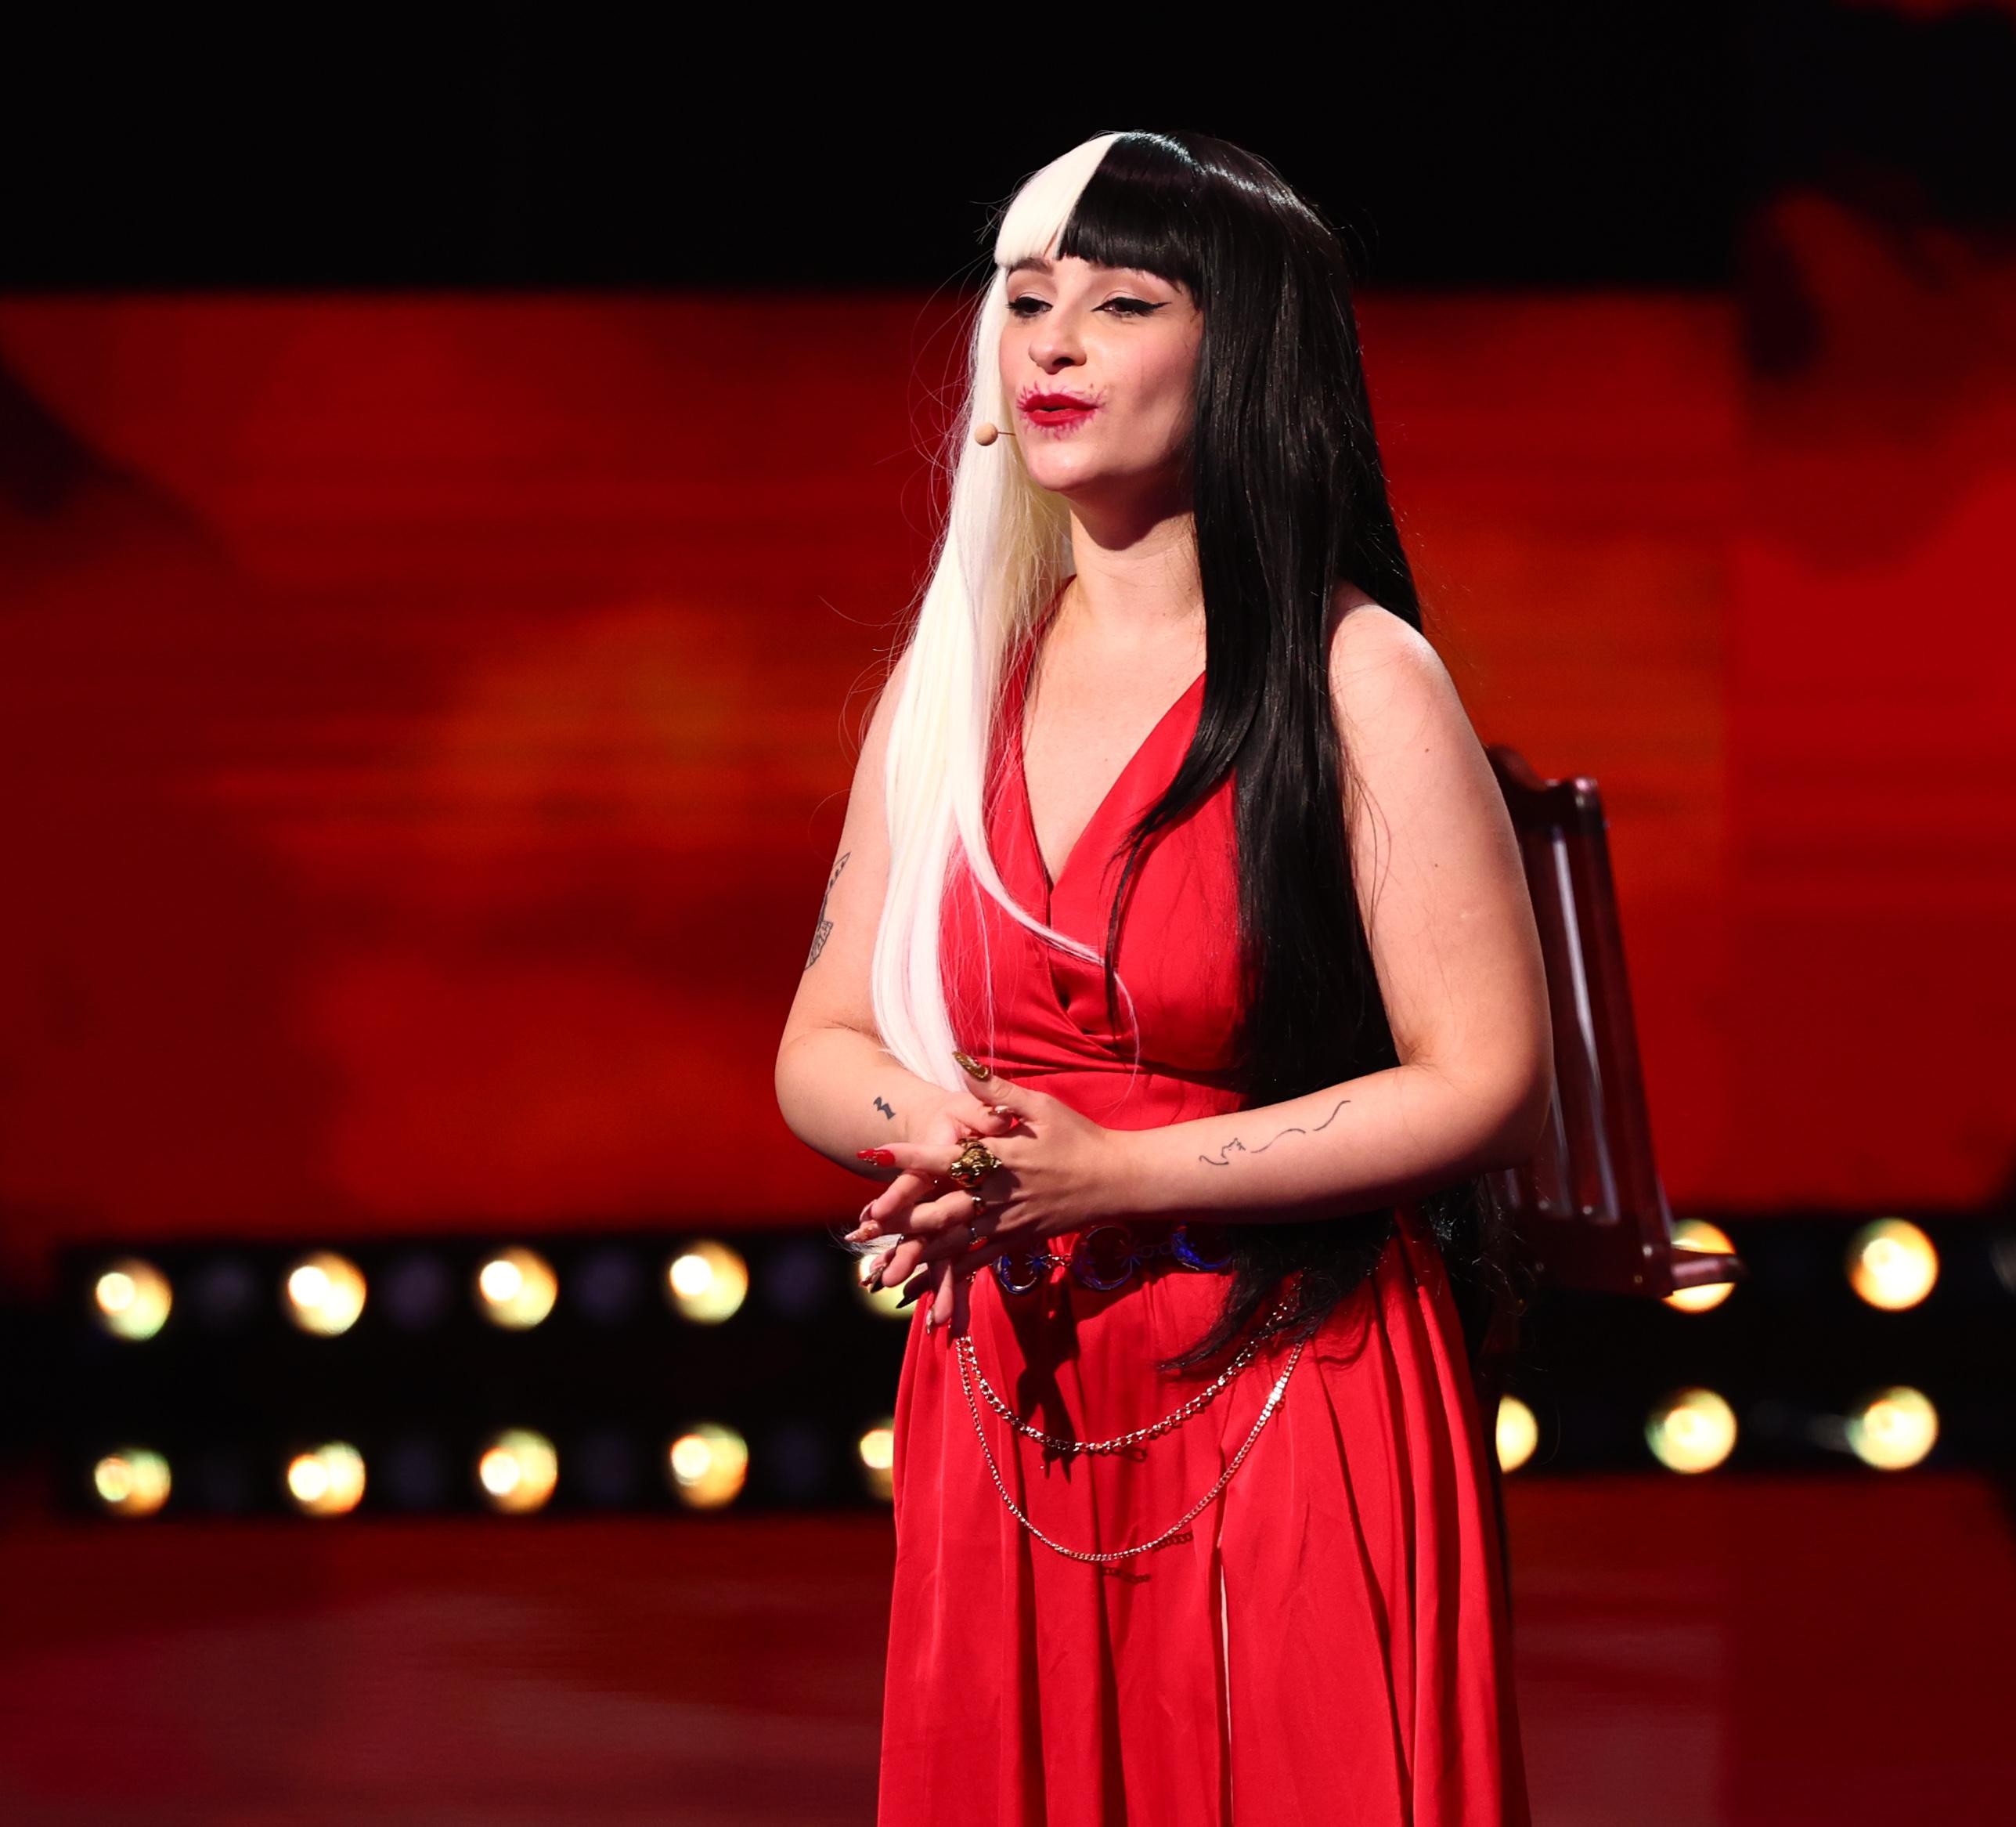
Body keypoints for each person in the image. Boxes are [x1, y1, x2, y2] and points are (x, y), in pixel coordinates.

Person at [773, 129, 1553, 1825]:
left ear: (1245, 350)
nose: (1050, 343)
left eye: (1121, 303)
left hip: (1287, 1370)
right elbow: (821, 1043)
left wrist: (1115, 1173)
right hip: (1011, 1377)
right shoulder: (951, 684)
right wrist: (964, 1144)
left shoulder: (1356, 674)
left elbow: (1486, 1079)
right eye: (1024, 299)